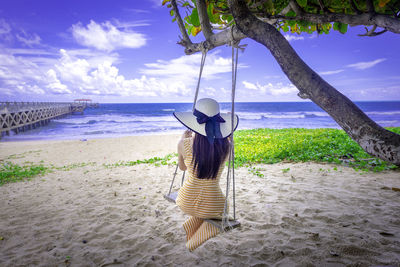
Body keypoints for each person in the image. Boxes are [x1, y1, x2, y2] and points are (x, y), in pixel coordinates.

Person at [173, 98, 239, 251]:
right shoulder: (227, 147)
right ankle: (194, 239)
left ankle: (190, 232)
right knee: (220, 213)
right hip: (214, 205)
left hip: (185, 201)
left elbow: (182, 168)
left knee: (201, 210)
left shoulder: (183, 144)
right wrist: (229, 133)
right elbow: (225, 142)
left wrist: (184, 139)